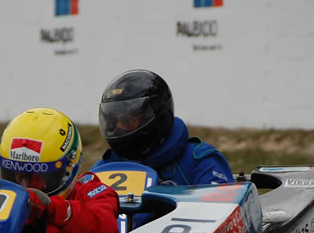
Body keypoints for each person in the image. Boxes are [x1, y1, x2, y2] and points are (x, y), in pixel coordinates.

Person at [0, 107, 120, 233]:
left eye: (37, 178)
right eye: (15, 176)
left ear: (69, 168)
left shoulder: (92, 192)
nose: (25, 187)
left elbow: (105, 227)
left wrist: (53, 208)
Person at [91, 69, 234, 186]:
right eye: (114, 121)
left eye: (128, 120)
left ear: (157, 114)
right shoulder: (102, 169)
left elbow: (221, 210)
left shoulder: (199, 160)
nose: (119, 127)